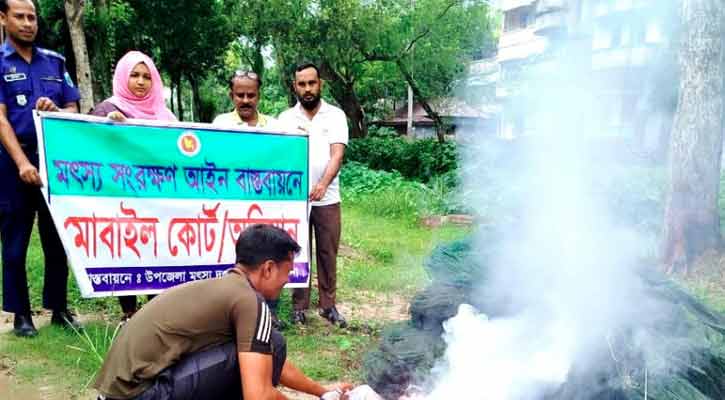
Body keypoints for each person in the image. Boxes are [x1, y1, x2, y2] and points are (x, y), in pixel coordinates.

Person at [94, 224, 352, 400]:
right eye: (287, 271)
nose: (288, 279)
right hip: (139, 393)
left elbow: (271, 359)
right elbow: (258, 395)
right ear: (268, 268)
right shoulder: (250, 301)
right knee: (268, 348)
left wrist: (321, 391)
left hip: (124, 390)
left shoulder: (228, 287)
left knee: (271, 344)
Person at [0, 0, 81, 337]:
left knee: (57, 237)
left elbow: (74, 108)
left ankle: (59, 309)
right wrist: (22, 163)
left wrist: (56, 110)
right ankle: (21, 315)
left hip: (53, 160)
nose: (28, 23)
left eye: (32, 17)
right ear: (3, 18)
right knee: (16, 240)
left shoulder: (55, 61)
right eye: (19, 16)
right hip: (11, 161)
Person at [89, 50, 176, 320]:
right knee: (127, 253)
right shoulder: (106, 109)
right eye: (134, 75)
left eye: (146, 76)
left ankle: (155, 314)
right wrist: (115, 130)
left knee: (158, 253)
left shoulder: (167, 117)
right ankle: (129, 313)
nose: (140, 82)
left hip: (158, 198)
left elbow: (175, 152)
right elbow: (89, 146)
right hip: (122, 199)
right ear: (122, 77)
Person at [278, 63, 348, 328]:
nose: (307, 89)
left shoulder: (336, 115)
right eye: (302, 84)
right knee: (297, 252)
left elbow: (337, 154)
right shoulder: (285, 119)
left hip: (327, 197)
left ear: (321, 84)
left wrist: (322, 184)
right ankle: (299, 307)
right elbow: (280, 156)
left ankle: (328, 306)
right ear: (295, 86)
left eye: (312, 83)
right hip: (295, 200)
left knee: (328, 252)